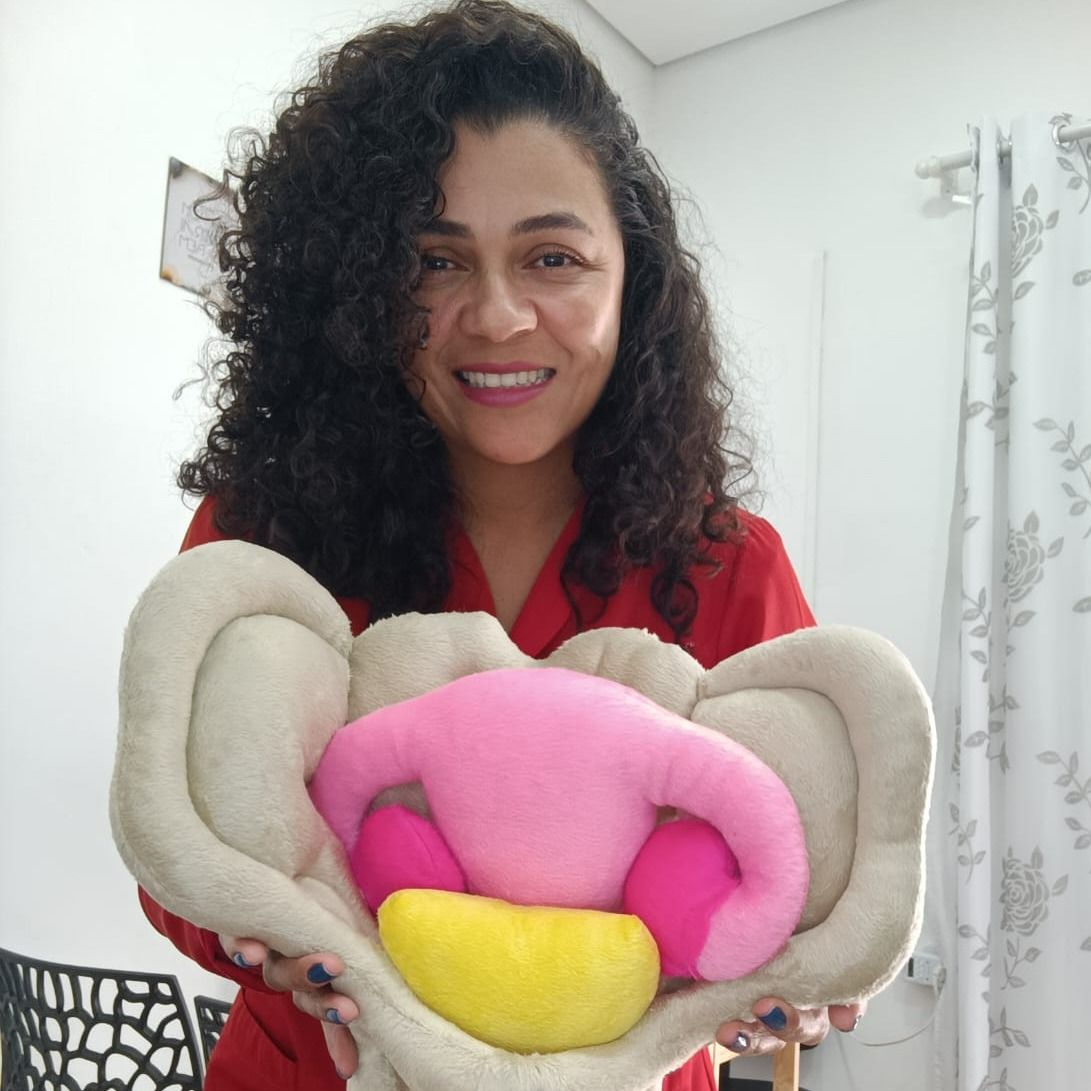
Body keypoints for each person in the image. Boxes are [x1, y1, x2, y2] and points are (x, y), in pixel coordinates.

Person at [140, 2, 865, 1088]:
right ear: (357, 290)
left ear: (633, 284)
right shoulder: (261, 536)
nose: (497, 315)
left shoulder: (729, 564)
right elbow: (174, 842)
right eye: (434, 261)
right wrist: (264, 938)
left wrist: (804, 965)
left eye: (552, 257)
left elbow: (806, 859)